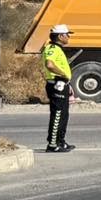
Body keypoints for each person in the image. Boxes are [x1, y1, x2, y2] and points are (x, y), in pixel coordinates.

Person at [42, 23, 76, 153]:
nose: (68, 37)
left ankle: (61, 141)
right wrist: (62, 74)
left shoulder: (58, 49)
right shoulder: (52, 48)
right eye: (67, 35)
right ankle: (52, 144)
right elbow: (49, 64)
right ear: (60, 36)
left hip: (63, 85)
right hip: (57, 85)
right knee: (57, 115)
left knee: (64, 115)